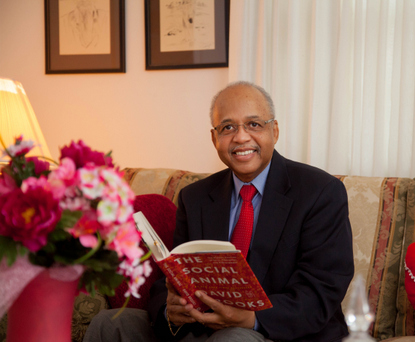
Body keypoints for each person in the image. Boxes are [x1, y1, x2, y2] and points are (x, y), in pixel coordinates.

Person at [85, 81, 354, 342]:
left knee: (234, 338)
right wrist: (171, 311)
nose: (241, 137)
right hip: (202, 327)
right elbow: (170, 278)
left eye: (254, 124)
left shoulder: (320, 192)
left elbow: (322, 291)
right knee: (110, 324)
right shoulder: (195, 197)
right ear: (215, 138)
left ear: (275, 131)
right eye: (228, 127)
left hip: (280, 332)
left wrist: (249, 319)